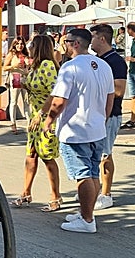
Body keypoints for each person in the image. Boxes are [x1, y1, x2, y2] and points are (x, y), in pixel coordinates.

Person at [42, 28, 114, 233]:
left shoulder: (70, 67)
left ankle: (87, 219)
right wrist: (102, 118)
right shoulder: (103, 65)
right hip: (96, 127)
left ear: (75, 43)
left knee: (83, 175)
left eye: (66, 41)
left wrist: (49, 120)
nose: (63, 45)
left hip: (76, 130)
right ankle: (86, 211)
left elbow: (59, 101)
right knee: (92, 173)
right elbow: (110, 98)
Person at [11, 35, 61, 211]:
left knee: (47, 157)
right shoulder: (35, 65)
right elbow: (35, 85)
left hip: (46, 117)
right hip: (34, 117)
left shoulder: (48, 65)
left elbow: (54, 93)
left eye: (32, 44)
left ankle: (56, 196)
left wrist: (42, 114)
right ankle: (26, 192)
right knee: (31, 155)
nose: (29, 47)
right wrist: (23, 82)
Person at [90, 24, 127, 210]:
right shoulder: (97, 59)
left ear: (102, 39)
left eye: (93, 37)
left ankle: (106, 194)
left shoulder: (116, 61)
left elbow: (119, 90)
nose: (91, 41)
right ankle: (95, 189)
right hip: (96, 113)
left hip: (111, 114)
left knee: (105, 153)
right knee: (95, 154)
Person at [3, 37, 30, 134]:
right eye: (17, 44)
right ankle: (13, 123)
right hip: (16, 77)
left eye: (21, 44)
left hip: (25, 77)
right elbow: (4, 67)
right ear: (14, 44)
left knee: (26, 101)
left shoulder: (26, 54)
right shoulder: (12, 54)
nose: (20, 46)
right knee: (14, 101)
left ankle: (29, 123)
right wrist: (13, 66)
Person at [122, 22, 135, 129]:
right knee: (133, 96)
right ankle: (133, 118)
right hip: (132, 71)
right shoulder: (133, 41)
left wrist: (131, 59)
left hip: (133, 71)